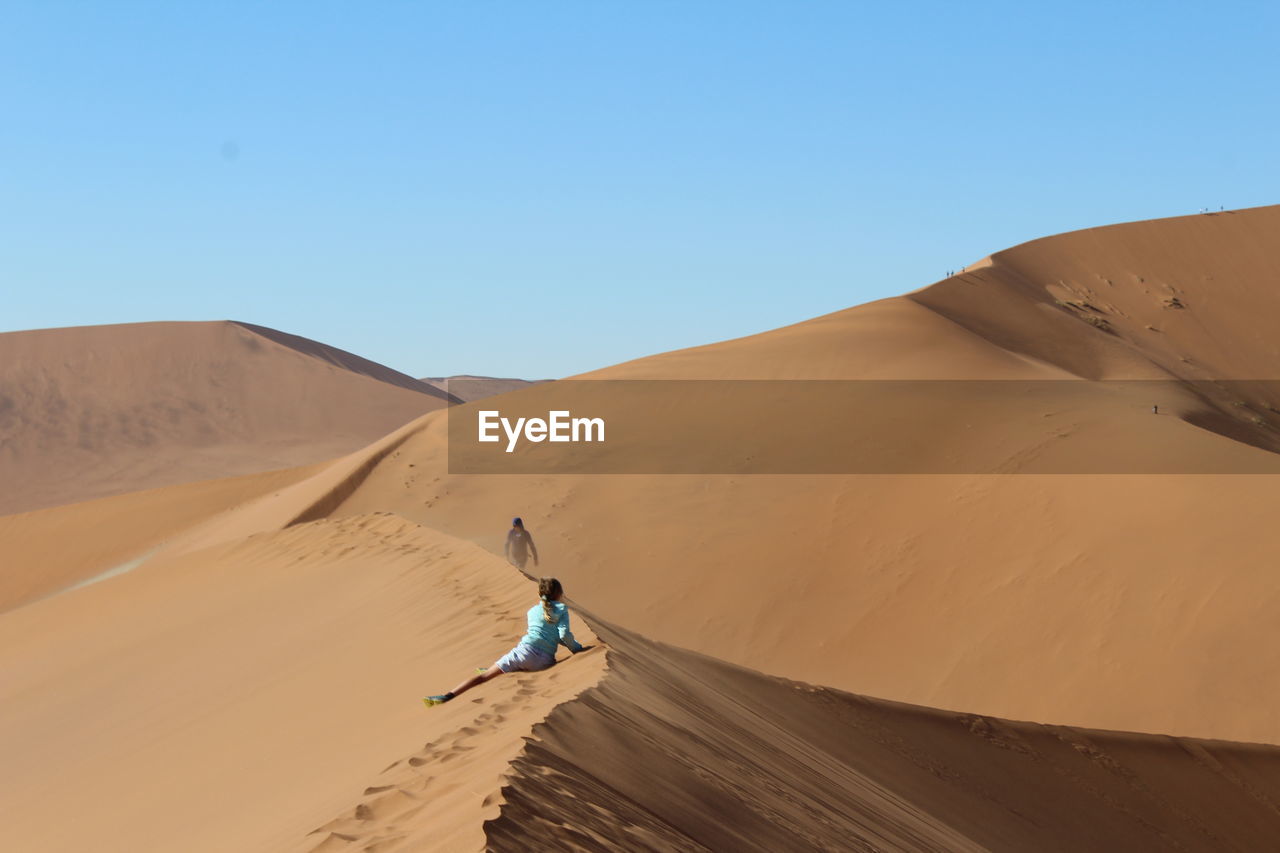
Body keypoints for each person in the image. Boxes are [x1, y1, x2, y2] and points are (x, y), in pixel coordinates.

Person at [423, 578, 589, 707]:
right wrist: (577, 649)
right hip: (544, 661)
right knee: (522, 668)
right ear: (559, 593)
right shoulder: (561, 610)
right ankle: (506, 669)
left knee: (483, 677)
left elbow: (542, 633)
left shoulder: (532, 611)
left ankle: (447, 696)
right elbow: (563, 634)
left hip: (523, 653)